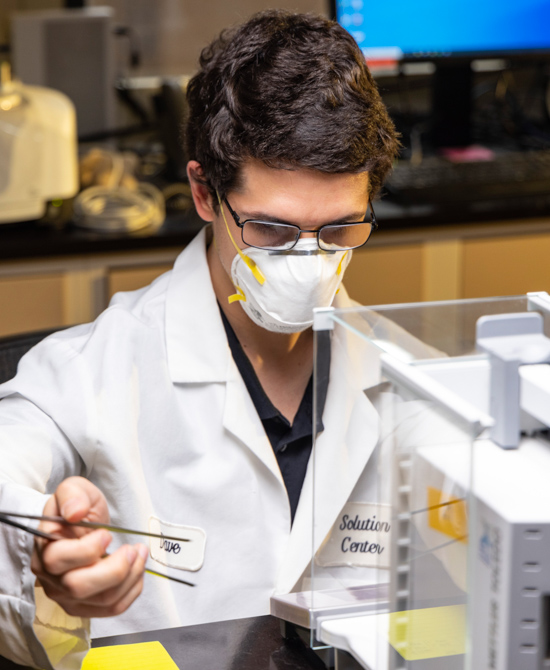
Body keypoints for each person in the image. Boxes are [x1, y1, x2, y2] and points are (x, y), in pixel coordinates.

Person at [0, 9, 399, 669]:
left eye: (337, 231)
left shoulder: (413, 378)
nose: (307, 261)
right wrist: (45, 556)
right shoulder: (90, 371)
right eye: (271, 229)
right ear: (204, 194)